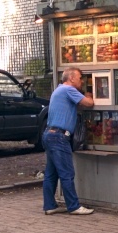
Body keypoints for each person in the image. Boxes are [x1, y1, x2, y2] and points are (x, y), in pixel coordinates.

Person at [42, 67, 96, 215]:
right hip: (59, 137)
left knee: (51, 173)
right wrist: (90, 92)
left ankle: (49, 206)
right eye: (80, 78)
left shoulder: (59, 90)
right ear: (71, 78)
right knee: (67, 173)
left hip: (50, 134)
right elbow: (88, 103)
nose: (81, 81)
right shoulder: (68, 90)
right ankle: (73, 206)